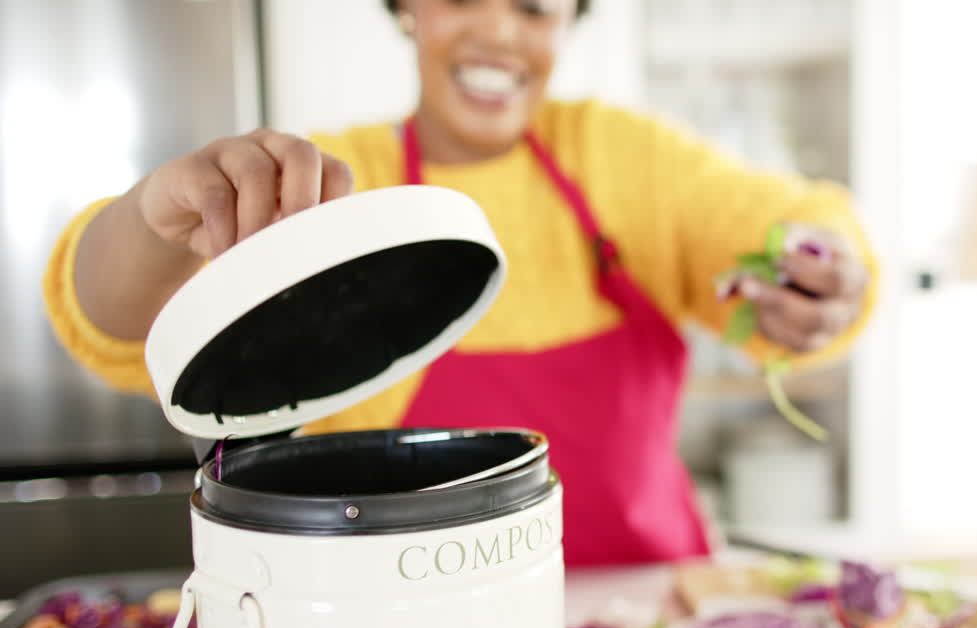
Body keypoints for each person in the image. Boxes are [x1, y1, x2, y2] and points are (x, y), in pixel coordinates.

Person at [43, 0, 879, 567]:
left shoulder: (627, 160)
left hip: (636, 620)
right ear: (406, 8)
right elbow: (120, 333)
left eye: (532, 6)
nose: (498, 33)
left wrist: (819, 269)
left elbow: (789, 224)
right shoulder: (327, 184)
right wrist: (151, 213)